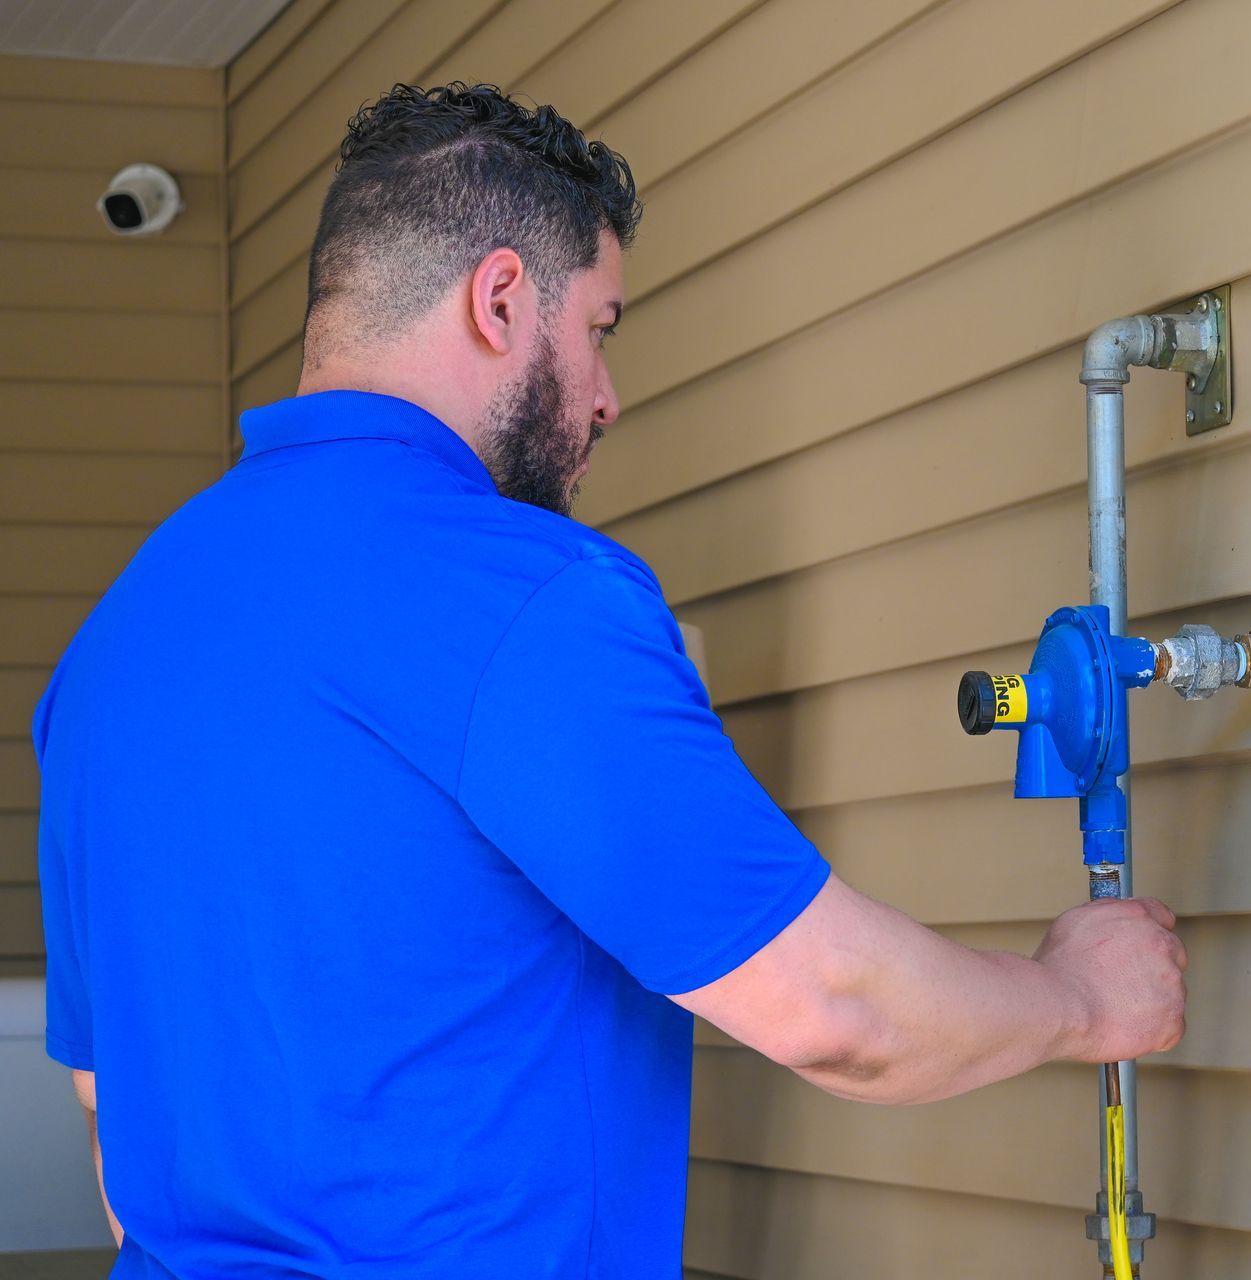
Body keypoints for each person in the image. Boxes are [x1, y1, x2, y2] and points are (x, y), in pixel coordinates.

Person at [33, 83, 1186, 1278]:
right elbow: (835, 1009)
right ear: (498, 299)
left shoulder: (114, 645)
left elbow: (107, 1107)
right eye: (599, 328)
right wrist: (1082, 997)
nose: (605, 397)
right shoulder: (522, 595)